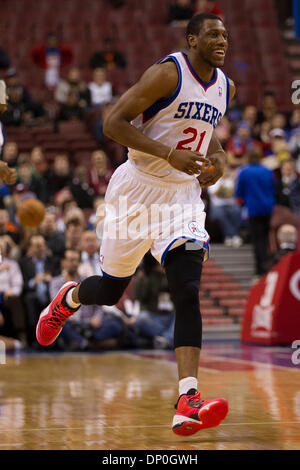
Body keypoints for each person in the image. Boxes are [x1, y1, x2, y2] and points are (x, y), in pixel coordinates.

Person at [36, 13, 233, 436]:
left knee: (187, 288)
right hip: (137, 190)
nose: (222, 41)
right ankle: (69, 299)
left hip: (182, 198)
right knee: (108, 291)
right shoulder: (167, 73)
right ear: (192, 38)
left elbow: (206, 132)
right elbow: (112, 123)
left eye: (226, 35)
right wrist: (166, 154)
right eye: (213, 34)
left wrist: (218, 161)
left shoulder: (225, 86)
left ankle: (188, 399)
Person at [235, 148, 276, 278]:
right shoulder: (268, 171)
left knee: (257, 239)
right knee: (264, 238)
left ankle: (260, 268)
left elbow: (239, 192)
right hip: (268, 208)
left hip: (253, 209)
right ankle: (265, 265)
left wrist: (242, 202)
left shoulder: (245, 172)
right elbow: (274, 188)